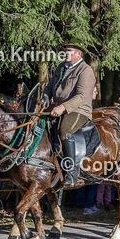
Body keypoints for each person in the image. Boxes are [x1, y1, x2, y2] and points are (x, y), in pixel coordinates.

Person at [46, 40, 97, 186]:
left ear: (78, 54)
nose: (65, 53)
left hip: (78, 110)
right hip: (56, 107)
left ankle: (72, 172)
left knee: (65, 131)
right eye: (65, 50)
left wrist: (63, 107)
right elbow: (49, 87)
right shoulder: (61, 67)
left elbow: (82, 96)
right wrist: (45, 97)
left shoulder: (85, 70)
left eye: (69, 50)